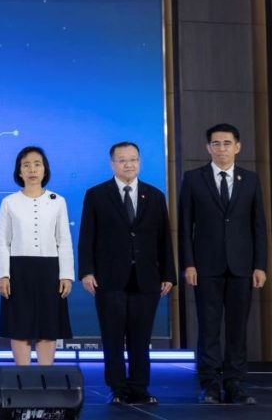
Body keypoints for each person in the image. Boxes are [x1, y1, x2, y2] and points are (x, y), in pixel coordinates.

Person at [78, 142, 175, 405]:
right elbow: (87, 237)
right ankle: (118, 389)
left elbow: (164, 239)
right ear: (112, 164)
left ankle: (140, 388)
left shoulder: (155, 196)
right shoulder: (97, 195)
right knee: (112, 337)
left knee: (141, 338)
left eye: (133, 159)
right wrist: (86, 271)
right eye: (122, 160)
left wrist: (168, 274)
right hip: (109, 278)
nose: (128, 164)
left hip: (147, 278)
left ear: (139, 162)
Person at [179, 123, 267, 405]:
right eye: (215, 143)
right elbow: (185, 226)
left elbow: (258, 225)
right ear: (208, 148)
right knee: (208, 328)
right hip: (205, 267)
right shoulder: (193, 178)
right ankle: (210, 384)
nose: (221, 148)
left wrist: (260, 265)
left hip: (243, 267)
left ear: (238, 147)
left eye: (227, 143)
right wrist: (189, 263)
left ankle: (235, 383)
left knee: (238, 328)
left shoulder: (250, 179)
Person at [0, 146, 73, 366]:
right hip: (18, 270)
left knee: (48, 326)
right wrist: (4, 275)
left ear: (45, 169)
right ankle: (23, 377)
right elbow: (2, 242)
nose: (32, 169)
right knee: (20, 326)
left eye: (37, 164)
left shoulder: (58, 201)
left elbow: (64, 240)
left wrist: (66, 275)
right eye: (26, 165)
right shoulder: (9, 202)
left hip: (50, 270)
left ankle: (45, 376)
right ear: (19, 171)